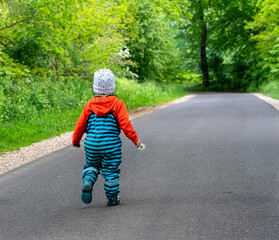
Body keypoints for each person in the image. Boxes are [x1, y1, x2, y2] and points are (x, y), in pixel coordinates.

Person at [72, 68, 141, 206]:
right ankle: (112, 198)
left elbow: (80, 125)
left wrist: (76, 140)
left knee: (92, 164)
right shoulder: (118, 104)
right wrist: (135, 139)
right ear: (112, 86)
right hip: (111, 145)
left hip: (91, 143)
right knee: (110, 170)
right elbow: (125, 124)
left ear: (95, 87)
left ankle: (88, 180)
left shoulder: (89, 105)